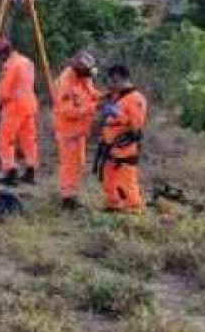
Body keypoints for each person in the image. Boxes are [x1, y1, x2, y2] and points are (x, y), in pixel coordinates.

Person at [52, 50, 101, 208]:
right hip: (67, 131)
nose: (89, 76)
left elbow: (91, 93)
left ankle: (74, 194)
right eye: (87, 73)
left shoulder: (84, 79)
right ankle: (67, 198)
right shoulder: (65, 83)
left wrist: (106, 97)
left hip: (79, 131)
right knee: (69, 164)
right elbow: (68, 111)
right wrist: (94, 107)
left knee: (78, 164)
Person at [97, 63, 148, 213]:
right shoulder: (117, 96)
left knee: (125, 181)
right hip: (110, 146)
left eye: (113, 81)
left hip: (124, 147)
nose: (111, 85)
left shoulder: (136, 99)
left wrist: (116, 113)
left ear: (120, 79)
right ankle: (114, 206)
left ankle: (133, 209)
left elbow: (136, 125)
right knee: (109, 179)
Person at [0, 36, 39, 186]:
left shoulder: (10, 66)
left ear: (3, 53)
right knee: (28, 140)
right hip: (30, 105)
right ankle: (30, 171)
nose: (0, 60)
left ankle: (9, 171)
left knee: (5, 140)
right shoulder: (27, 62)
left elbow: (5, 90)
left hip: (14, 107)